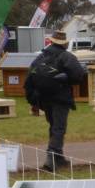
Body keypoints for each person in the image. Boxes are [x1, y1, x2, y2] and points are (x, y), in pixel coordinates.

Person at [24, 31, 85, 171]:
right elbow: (78, 75)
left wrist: (33, 101)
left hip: (43, 99)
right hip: (60, 98)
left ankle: (59, 158)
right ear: (64, 43)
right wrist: (67, 79)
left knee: (54, 126)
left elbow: (30, 79)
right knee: (59, 128)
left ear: (51, 42)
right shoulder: (66, 56)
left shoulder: (40, 57)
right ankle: (51, 159)